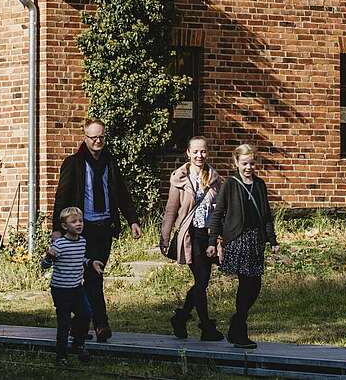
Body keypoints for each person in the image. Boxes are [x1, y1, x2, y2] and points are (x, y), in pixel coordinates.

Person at [52, 119, 143, 343]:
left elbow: (122, 192)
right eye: (93, 137)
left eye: (101, 137)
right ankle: (101, 324)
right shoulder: (74, 163)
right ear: (85, 138)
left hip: (104, 228)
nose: (98, 141)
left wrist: (132, 220)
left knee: (93, 277)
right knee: (92, 277)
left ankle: (78, 325)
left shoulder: (110, 163)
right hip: (82, 229)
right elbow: (61, 197)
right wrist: (56, 229)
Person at [209, 144, 278, 348]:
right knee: (246, 283)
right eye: (244, 163)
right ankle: (240, 330)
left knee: (255, 285)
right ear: (236, 162)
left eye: (251, 163)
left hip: (255, 240)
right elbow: (218, 213)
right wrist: (213, 241)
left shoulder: (259, 184)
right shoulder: (230, 183)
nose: (248, 167)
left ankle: (237, 322)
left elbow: (266, 215)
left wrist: (272, 240)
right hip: (238, 239)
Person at [159, 136, 225, 341]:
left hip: (209, 235)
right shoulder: (179, 178)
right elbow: (171, 210)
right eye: (195, 152)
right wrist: (165, 236)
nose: (199, 155)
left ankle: (181, 317)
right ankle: (206, 327)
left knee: (202, 281)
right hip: (190, 235)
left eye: (203, 151)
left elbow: (222, 209)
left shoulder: (215, 178)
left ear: (207, 152)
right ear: (188, 153)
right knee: (202, 279)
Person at [46, 207, 101, 364]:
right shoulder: (60, 244)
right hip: (60, 290)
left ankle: (78, 343)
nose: (79, 224)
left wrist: (91, 262)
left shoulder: (82, 241)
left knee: (85, 314)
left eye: (81, 221)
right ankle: (61, 356)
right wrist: (49, 258)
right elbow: (44, 264)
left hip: (77, 288)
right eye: (74, 221)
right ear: (65, 226)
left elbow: (79, 258)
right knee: (63, 323)